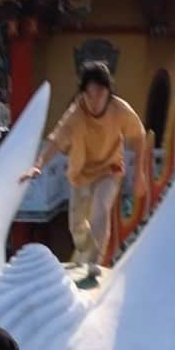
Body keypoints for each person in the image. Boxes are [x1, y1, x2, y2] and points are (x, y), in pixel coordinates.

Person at [21, 60, 147, 278]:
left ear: (108, 92)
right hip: (80, 174)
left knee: (101, 207)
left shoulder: (119, 110)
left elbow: (138, 135)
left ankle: (94, 261)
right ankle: (87, 250)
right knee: (76, 226)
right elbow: (56, 140)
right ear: (83, 94)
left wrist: (139, 174)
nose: (94, 100)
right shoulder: (76, 114)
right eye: (89, 94)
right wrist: (38, 164)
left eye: (99, 93)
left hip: (110, 169)